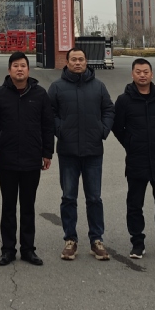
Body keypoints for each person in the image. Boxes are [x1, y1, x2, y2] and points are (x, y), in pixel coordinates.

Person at [48, 47, 115, 261]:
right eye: (74, 59)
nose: (78, 63)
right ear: (67, 62)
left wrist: (102, 130)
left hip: (93, 151)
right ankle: (70, 239)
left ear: (86, 62)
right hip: (67, 151)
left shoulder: (98, 86)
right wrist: (60, 130)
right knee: (69, 197)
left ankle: (97, 240)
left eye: (81, 59)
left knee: (94, 198)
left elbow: (109, 110)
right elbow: (49, 113)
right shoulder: (57, 87)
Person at [0, 51, 54, 266]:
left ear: (28, 69)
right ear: (9, 70)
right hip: (7, 159)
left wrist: (47, 153)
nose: (19, 69)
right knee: (8, 207)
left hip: (31, 158)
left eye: (23, 66)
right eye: (15, 66)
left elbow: (47, 126)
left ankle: (28, 249)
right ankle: (8, 249)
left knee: (28, 206)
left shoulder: (40, 94)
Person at [112, 58, 155, 260]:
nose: (142, 75)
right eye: (138, 72)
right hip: (136, 160)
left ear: (152, 74)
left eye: (146, 71)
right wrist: (131, 143)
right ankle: (137, 243)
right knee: (135, 205)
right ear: (132, 74)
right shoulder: (124, 100)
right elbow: (117, 127)